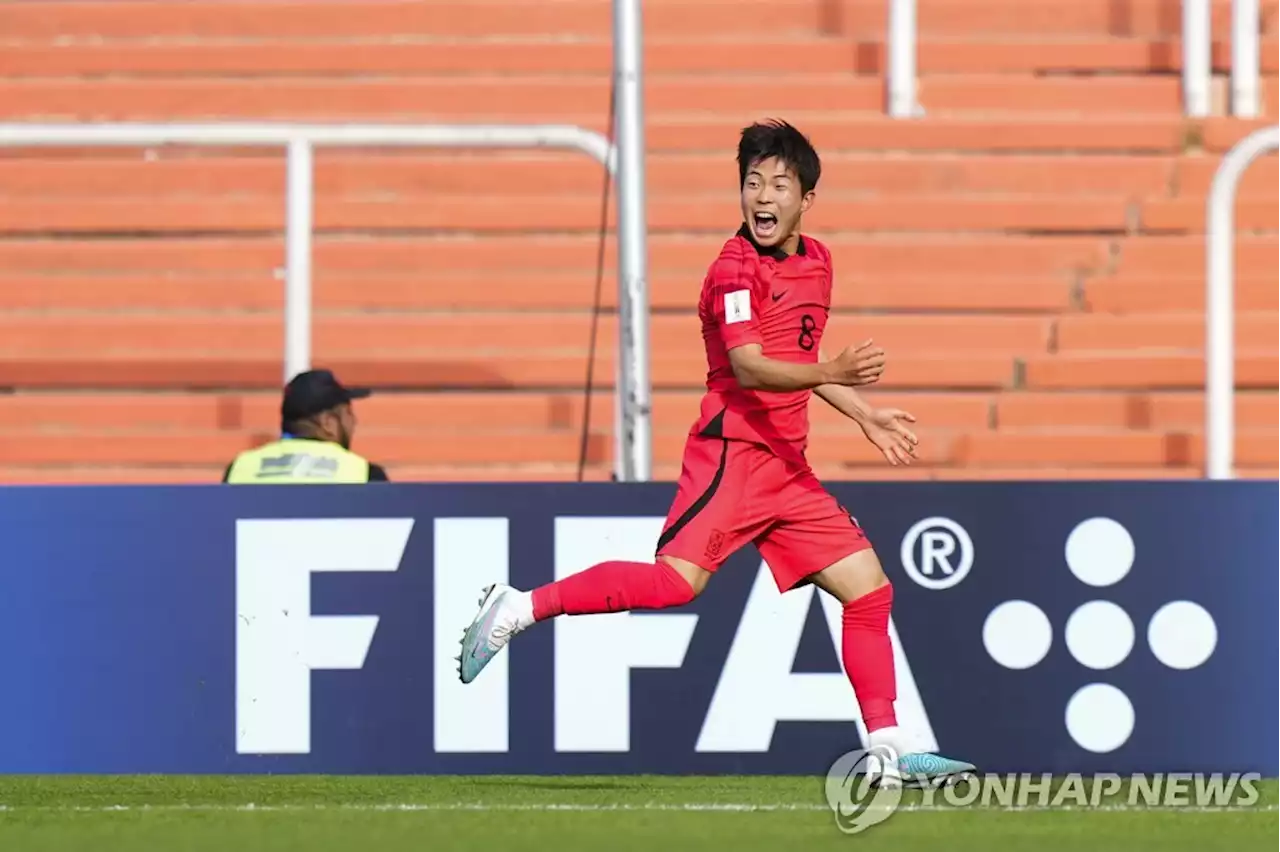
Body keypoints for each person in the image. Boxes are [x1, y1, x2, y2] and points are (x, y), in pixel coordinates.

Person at [456, 120, 973, 784]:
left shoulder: (819, 259)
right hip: (733, 452)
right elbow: (752, 367)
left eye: (779, 184)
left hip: (787, 466)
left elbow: (800, 360)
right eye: (752, 182)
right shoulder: (732, 271)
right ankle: (521, 607)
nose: (763, 195)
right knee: (674, 584)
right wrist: (836, 373)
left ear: (806, 198)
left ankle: (888, 750)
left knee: (868, 591)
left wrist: (864, 413)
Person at [222, 368, 390, 484]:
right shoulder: (362, 474)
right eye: (348, 413)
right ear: (328, 423)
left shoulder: (240, 469)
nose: (354, 421)